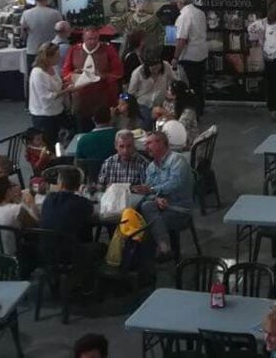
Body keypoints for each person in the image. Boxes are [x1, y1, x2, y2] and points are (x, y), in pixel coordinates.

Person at [132, 129, 194, 261]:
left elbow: (175, 184)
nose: (146, 147)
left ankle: (150, 265)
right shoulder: (151, 167)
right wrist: (157, 198)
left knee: (146, 228)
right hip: (160, 208)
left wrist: (152, 191)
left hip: (180, 210)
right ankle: (160, 251)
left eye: (149, 143)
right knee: (141, 213)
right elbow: (148, 193)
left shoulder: (177, 160)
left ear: (161, 143)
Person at [62, 27, 124, 131]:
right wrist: (74, 75)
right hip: (81, 98)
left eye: (95, 38)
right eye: (89, 39)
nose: (93, 41)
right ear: (83, 38)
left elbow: (118, 72)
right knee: (82, 128)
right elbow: (65, 71)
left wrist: (103, 75)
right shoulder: (74, 50)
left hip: (103, 97)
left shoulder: (108, 50)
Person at [0, 174, 38, 254]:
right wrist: (29, 204)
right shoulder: (16, 209)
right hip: (15, 256)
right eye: (12, 186)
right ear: (8, 191)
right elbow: (35, 226)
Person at [173, 0, 208, 116]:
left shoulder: (183, 16)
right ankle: (200, 109)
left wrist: (175, 58)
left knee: (188, 87)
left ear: (180, 3)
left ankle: (191, 113)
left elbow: (181, 39)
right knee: (199, 85)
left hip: (189, 56)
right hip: (202, 54)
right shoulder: (200, 13)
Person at [40, 164, 94, 243]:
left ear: (60, 184)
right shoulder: (83, 203)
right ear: (79, 185)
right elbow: (91, 211)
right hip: (73, 252)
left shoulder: (49, 199)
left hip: (46, 251)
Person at [29, 42, 70, 144]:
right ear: (47, 57)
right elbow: (46, 98)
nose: (59, 57)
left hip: (57, 111)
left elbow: (56, 85)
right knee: (48, 145)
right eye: (56, 56)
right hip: (44, 116)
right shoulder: (38, 73)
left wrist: (66, 82)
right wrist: (66, 91)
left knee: (58, 143)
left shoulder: (53, 67)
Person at [127, 44, 178, 126]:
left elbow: (175, 81)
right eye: (152, 67)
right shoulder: (137, 73)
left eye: (158, 65)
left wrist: (172, 93)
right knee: (145, 123)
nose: (156, 69)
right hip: (143, 105)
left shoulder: (166, 66)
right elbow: (130, 94)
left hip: (161, 103)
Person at [21, 0, 63, 77]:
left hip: (33, 51)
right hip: (51, 51)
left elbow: (22, 35)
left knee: (33, 79)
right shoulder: (55, 14)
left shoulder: (26, 14)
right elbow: (61, 32)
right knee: (51, 78)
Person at [74, 105, 117, 169]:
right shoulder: (120, 136)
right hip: (117, 174)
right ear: (111, 118)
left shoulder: (83, 140)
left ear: (93, 119)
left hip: (92, 176)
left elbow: (78, 163)